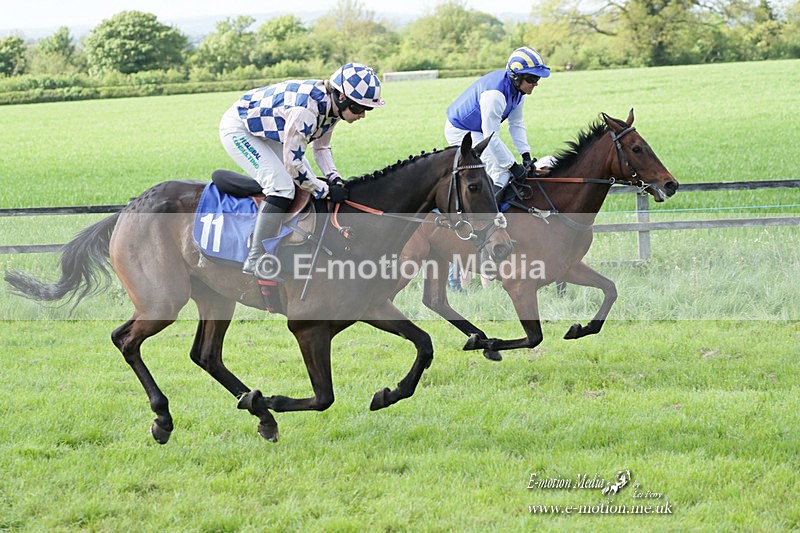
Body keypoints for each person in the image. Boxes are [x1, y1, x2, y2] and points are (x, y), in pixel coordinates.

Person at [219, 63, 385, 276]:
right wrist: (324, 191)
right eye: (359, 108)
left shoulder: (331, 107)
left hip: (270, 130)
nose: (362, 115)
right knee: (282, 188)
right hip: (240, 129)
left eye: (367, 109)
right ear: (342, 97)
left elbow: (321, 147)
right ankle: (255, 258)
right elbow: (293, 164)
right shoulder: (307, 111)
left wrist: (334, 178)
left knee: (307, 181)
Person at [444, 46, 550, 195]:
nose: (536, 83)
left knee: (505, 167)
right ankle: (489, 210)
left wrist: (526, 156)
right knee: (501, 172)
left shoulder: (519, 91)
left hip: (479, 130)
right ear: (516, 77)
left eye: (537, 79)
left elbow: (516, 124)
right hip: (461, 131)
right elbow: (491, 137)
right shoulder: (495, 96)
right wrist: (513, 166)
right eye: (532, 79)